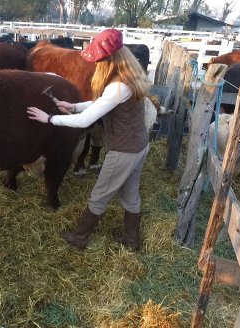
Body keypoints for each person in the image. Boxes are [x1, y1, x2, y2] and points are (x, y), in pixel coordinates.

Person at [27, 29, 150, 251]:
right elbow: (103, 103)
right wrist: (73, 106)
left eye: (99, 60)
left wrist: (51, 118)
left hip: (124, 149)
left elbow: (85, 121)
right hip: (138, 144)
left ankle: (80, 237)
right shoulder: (130, 76)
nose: (97, 65)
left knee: (100, 194)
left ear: (109, 59)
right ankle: (132, 241)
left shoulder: (118, 85)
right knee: (130, 194)